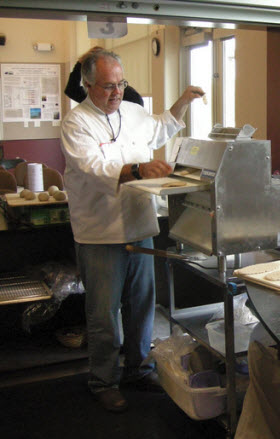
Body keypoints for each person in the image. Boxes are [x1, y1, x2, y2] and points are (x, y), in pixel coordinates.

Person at [60, 49, 205, 413]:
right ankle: (103, 381)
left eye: (121, 84)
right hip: (99, 233)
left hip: (140, 227)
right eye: (107, 86)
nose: (116, 93)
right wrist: (138, 170)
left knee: (141, 306)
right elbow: (93, 165)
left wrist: (184, 102)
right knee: (103, 314)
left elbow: (162, 125)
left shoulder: (133, 112)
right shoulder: (76, 123)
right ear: (88, 85)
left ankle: (138, 370)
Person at [65, 46, 144, 106]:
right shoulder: (96, 95)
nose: (116, 92)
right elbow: (71, 90)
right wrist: (80, 62)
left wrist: (81, 61)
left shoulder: (131, 97)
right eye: (108, 86)